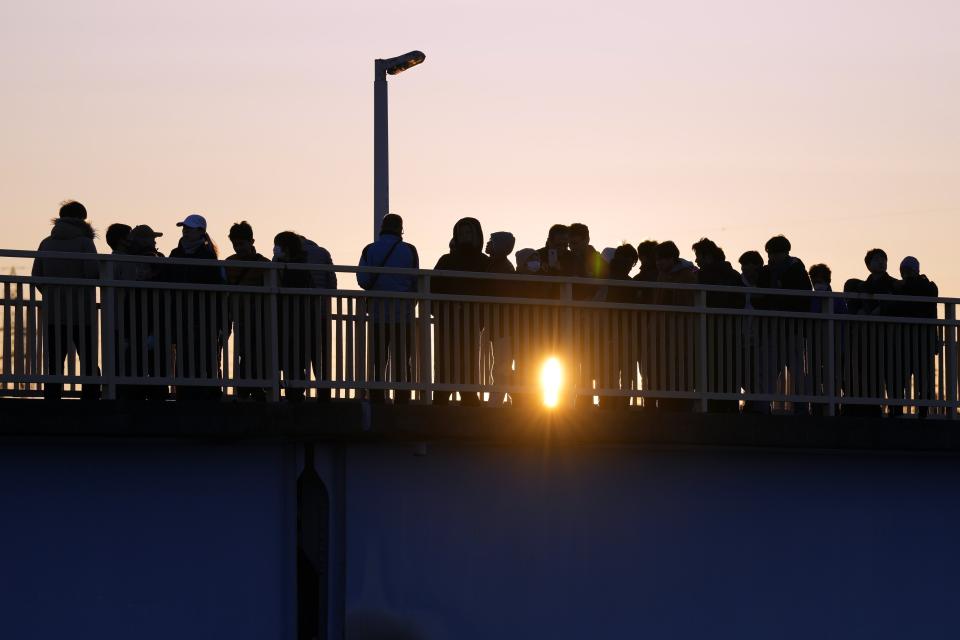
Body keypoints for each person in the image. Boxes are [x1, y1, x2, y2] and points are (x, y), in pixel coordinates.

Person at [32, 201, 101, 400]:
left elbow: (37, 275)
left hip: (54, 311)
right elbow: (93, 273)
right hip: (82, 312)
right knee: (88, 357)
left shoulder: (46, 242)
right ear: (82, 219)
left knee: (54, 360)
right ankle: (91, 397)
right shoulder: (85, 243)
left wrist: (52, 295)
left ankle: (52, 399)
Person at [358, 213, 420, 403]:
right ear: (401, 229)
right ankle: (403, 398)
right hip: (404, 315)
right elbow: (415, 281)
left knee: (378, 359)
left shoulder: (370, 249)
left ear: (382, 228)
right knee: (403, 360)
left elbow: (363, 280)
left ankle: (377, 396)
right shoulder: (409, 250)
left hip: (378, 314)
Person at [432, 217, 491, 405]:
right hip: (447, 317)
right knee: (444, 357)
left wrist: (481, 315)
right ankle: (442, 394)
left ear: (477, 235)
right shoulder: (447, 260)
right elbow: (433, 285)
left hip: (472, 318)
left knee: (469, 356)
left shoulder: (484, 262)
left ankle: (468, 394)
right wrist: (438, 310)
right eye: (462, 233)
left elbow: (489, 289)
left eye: (469, 233)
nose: (466, 237)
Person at [167, 214, 225, 400]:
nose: (185, 230)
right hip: (181, 314)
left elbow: (217, 288)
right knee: (183, 355)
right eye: (184, 227)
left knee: (206, 355)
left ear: (201, 232)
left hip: (204, 316)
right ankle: (184, 394)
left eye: (189, 228)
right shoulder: (176, 254)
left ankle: (208, 395)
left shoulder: (208, 257)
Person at [760, 235, 812, 413]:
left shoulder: (796, 270)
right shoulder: (769, 271)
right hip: (774, 328)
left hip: (791, 328)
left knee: (795, 370)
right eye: (769, 253)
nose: (771, 257)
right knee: (771, 370)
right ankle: (764, 405)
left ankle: (801, 406)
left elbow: (804, 298)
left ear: (785, 252)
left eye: (774, 253)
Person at [117, 225, 169, 401]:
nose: (155, 241)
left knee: (133, 364)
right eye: (152, 238)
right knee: (157, 365)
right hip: (152, 319)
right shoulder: (157, 260)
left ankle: (133, 397)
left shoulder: (126, 259)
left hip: (132, 318)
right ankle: (157, 397)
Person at [692, 238, 743, 412]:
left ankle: (711, 409)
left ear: (708, 256)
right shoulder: (734, 275)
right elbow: (741, 301)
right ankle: (730, 409)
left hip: (710, 330)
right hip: (733, 332)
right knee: (729, 372)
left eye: (698, 256)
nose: (696, 260)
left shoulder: (705, 275)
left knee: (710, 371)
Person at [225, 221, 271, 400]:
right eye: (235, 244)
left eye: (241, 244)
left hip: (259, 316)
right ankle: (248, 388)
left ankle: (250, 388)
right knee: (245, 351)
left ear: (251, 241)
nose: (238, 248)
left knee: (257, 351)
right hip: (241, 316)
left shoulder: (264, 265)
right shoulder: (231, 263)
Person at [896, 256, 939, 417]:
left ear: (916, 271)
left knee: (923, 379)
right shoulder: (904, 286)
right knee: (901, 378)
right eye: (903, 271)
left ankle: (922, 411)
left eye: (908, 270)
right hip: (907, 341)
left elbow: (925, 291)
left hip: (922, 341)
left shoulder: (926, 286)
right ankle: (898, 408)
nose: (905, 274)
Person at [274, 232, 314, 401]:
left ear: (286, 248)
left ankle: (294, 391)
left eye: (277, 245)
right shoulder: (296, 264)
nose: (275, 249)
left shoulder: (296, 267)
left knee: (293, 356)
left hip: (293, 319)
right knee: (292, 356)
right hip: (293, 319)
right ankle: (293, 390)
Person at [484, 231, 517, 404]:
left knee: (501, 364)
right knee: (501, 363)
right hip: (497, 323)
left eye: (492, 241)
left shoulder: (504, 267)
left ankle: (498, 400)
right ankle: (514, 395)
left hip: (503, 324)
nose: (488, 243)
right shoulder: (494, 264)